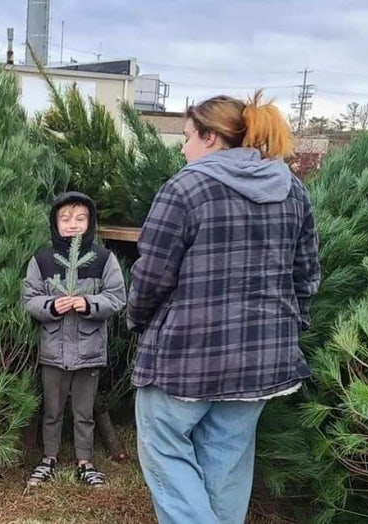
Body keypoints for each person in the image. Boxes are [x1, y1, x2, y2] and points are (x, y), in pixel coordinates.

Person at [128, 91, 321, 524]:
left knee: (163, 449)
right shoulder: (293, 190)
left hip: (187, 356)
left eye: (188, 136)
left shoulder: (186, 186)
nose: (183, 147)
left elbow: (151, 275)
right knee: (227, 461)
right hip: (264, 360)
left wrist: (138, 320)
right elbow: (306, 274)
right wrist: (288, 328)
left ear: (211, 137)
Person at [22, 191, 127, 487]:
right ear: (55, 223)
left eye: (80, 219)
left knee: (84, 410)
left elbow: (117, 297)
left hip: (89, 350)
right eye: (65, 218)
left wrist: (89, 304)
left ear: (90, 223)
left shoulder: (104, 259)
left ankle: (85, 461)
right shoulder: (42, 260)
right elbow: (30, 298)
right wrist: (52, 306)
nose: (72, 224)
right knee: (52, 410)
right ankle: (49, 458)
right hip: (53, 352)